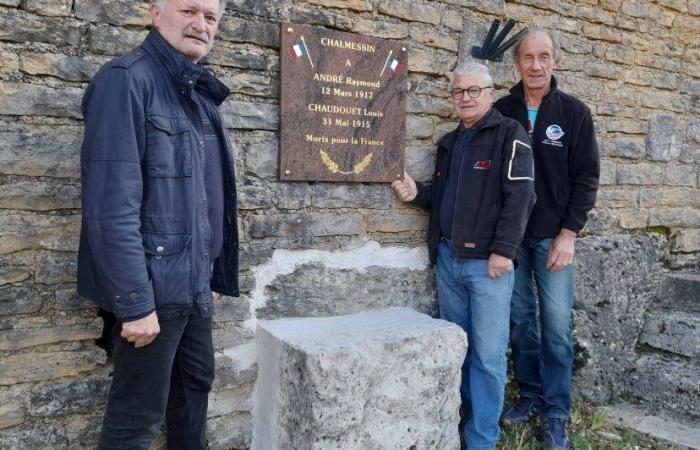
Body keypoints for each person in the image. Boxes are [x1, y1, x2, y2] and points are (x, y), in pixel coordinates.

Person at [77, 0, 239, 448]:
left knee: (193, 397)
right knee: (136, 420)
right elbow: (110, 208)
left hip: (193, 288)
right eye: (190, 10)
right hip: (151, 293)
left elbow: (203, 196)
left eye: (210, 17)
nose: (200, 24)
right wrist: (133, 304)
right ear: (156, 12)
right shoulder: (126, 80)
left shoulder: (198, 92)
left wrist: (207, 273)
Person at [392, 62, 536, 450]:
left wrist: (503, 251)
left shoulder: (510, 135)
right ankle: (460, 426)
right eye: (459, 92)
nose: (466, 97)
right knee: (458, 351)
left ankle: (482, 440)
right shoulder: (450, 142)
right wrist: (416, 193)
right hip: (449, 262)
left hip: (488, 266)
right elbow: (445, 198)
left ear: (490, 93)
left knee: (488, 357)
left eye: (474, 90)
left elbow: (522, 197)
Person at [494, 29, 600, 450]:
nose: (536, 66)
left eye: (544, 57)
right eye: (527, 58)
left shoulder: (574, 113)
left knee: (556, 326)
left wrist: (569, 234)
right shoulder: (501, 111)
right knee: (520, 321)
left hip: (555, 238)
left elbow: (586, 177)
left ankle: (557, 411)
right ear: (516, 63)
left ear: (555, 61)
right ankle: (532, 394)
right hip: (511, 239)